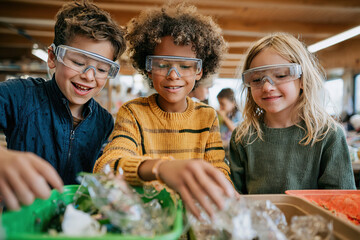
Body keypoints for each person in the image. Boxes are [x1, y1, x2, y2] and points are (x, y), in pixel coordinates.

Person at [94, 3, 234, 219]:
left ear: (199, 71)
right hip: (149, 222)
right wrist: (160, 169)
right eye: (162, 64)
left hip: (194, 219)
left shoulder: (207, 116)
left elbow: (218, 169)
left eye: (185, 66)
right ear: (148, 68)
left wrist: (224, 188)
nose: (173, 75)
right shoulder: (133, 112)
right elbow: (107, 165)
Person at [0, 0, 126, 210]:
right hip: (22, 220)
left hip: (75, 222)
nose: (89, 76)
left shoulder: (104, 121)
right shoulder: (19, 95)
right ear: (52, 57)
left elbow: (102, 170)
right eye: (78, 62)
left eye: (102, 69)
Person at [229, 32, 356, 194]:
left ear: (302, 80)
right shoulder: (242, 136)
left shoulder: (328, 135)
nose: (267, 87)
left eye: (281, 75)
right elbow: (233, 200)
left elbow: (341, 200)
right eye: (256, 79)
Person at [216, 88, 242, 158]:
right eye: (219, 104)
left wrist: (224, 117)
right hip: (223, 148)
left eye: (223, 104)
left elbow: (235, 131)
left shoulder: (238, 115)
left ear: (233, 103)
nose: (220, 107)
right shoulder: (223, 116)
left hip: (232, 150)